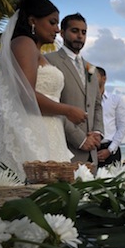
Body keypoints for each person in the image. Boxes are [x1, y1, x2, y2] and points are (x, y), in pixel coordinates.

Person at [0, 0, 87, 186]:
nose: (57, 29)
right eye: (52, 22)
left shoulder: (34, 49)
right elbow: (26, 96)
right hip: (30, 130)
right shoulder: (24, 43)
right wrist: (67, 110)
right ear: (33, 20)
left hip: (48, 130)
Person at [45, 13, 103, 165]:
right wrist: (80, 138)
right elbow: (51, 105)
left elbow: (97, 104)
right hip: (64, 148)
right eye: (75, 31)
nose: (80, 36)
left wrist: (97, 133)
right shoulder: (49, 61)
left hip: (92, 153)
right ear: (62, 33)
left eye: (84, 32)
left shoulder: (91, 68)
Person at [96, 66, 125, 166]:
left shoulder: (116, 100)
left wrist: (110, 150)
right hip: (91, 148)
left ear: (104, 78)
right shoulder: (86, 101)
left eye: (94, 76)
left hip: (110, 148)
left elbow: (122, 127)